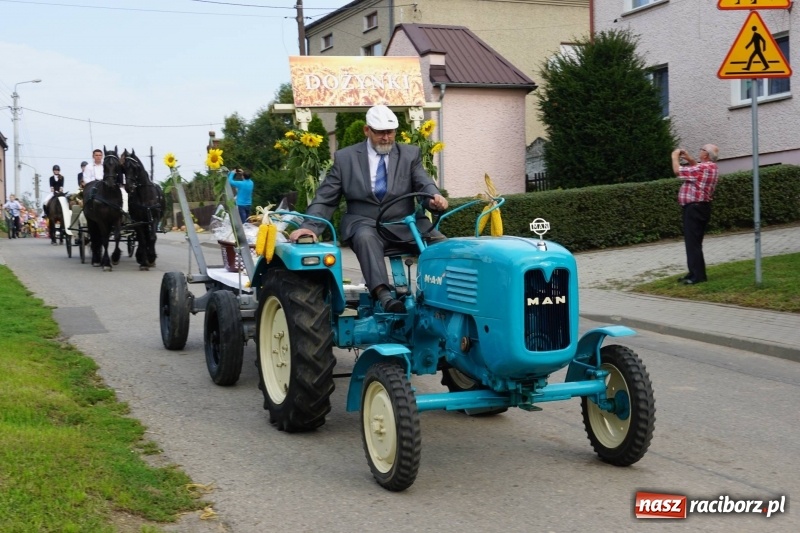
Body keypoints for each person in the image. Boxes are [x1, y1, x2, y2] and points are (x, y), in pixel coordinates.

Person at [289, 105, 448, 313]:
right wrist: (310, 226)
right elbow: (326, 198)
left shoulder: (410, 155)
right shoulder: (346, 159)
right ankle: (384, 296)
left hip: (405, 224)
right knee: (365, 236)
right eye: (380, 132)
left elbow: (424, 184)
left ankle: (442, 299)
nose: (386, 138)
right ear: (367, 131)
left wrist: (434, 199)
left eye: (390, 132)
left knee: (445, 247)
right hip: (364, 223)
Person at [671, 144, 719, 285]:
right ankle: (694, 273)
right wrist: (689, 158)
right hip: (700, 208)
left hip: (694, 208)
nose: (700, 150)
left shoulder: (702, 168)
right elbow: (695, 168)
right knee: (694, 243)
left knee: (693, 243)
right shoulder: (711, 167)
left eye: (702, 149)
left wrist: (674, 156)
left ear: (706, 155)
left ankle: (697, 276)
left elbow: (677, 171)